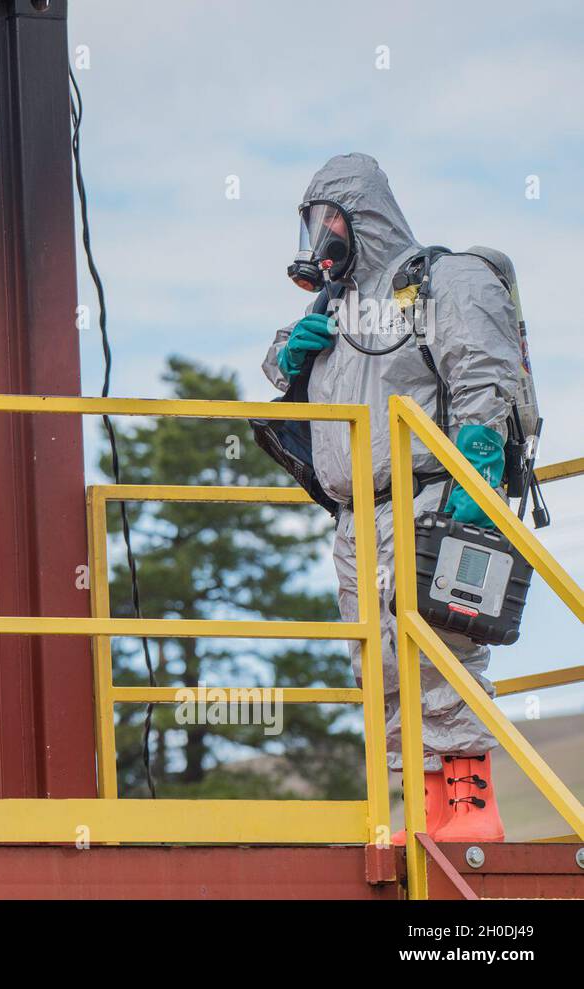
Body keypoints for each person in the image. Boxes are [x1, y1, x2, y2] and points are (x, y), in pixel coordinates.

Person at [262, 153, 521, 842]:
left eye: (327, 217)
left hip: (428, 497)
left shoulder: (440, 280)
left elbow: (483, 374)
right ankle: (424, 814)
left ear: (357, 213)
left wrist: (478, 471)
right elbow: (290, 396)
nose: (319, 236)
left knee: (443, 655)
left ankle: (470, 813)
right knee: (380, 672)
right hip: (355, 520)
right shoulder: (331, 312)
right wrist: (291, 360)